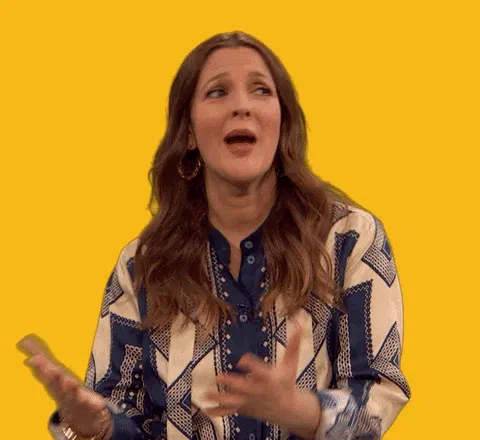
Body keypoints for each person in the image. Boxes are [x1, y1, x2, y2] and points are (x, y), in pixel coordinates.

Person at [18, 31, 410, 440]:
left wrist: (303, 411)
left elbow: (379, 396)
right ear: (189, 132)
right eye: (217, 92)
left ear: (282, 123)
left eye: (261, 90)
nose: (242, 105)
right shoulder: (142, 266)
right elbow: (123, 412)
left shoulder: (350, 239)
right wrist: (95, 426)